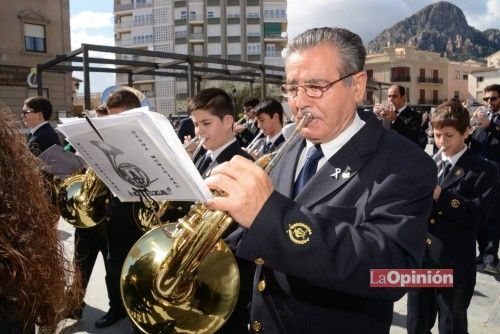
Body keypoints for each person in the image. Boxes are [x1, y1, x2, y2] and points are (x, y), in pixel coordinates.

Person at [204, 27, 437, 333]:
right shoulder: (286, 151)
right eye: (291, 88)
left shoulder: (406, 162)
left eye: (315, 86)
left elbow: (390, 271)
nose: (299, 103)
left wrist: (268, 215)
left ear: (357, 85)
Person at [406, 100, 498, 334]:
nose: (442, 142)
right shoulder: (428, 163)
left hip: (454, 265)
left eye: (448, 135)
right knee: (416, 325)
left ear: (466, 132)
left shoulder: (483, 170)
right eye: (437, 135)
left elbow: (478, 216)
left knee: (452, 327)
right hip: (421, 263)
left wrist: (441, 196)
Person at [0, 105, 81, 333]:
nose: (23, 116)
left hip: (40, 198)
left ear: (40, 114)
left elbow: (51, 167)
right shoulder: (38, 134)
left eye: (27, 112)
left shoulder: (46, 134)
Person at [94, 88, 143, 329]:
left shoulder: (149, 138)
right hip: (116, 214)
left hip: (143, 219)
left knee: (141, 274)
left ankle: (140, 317)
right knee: (113, 269)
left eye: (119, 119)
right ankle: (117, 309)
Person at [65, 103, 112, 321]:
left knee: (111, 268)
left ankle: (116, 309)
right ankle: (74, 304)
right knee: (80, 262)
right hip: (85, 215)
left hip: (106, 217)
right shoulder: (85, 142)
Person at [469, 84, 500, 275]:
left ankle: (490, 257)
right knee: (480, 216)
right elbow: (473, 144)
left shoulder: (493, 121)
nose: (489, 102)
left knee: (494, 218)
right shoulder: (481, 120)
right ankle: (481, 254)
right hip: (479, 177)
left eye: (494, 98)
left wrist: (491, 126)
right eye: (486, 99)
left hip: (497, 177)